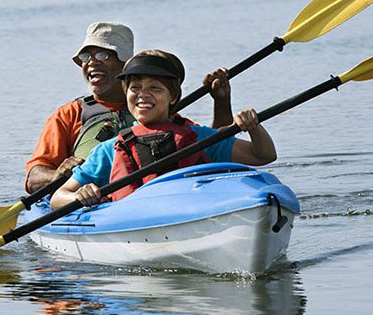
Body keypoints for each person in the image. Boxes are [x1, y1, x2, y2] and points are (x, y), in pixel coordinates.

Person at [50, 50, 276, 209]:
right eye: (135, 88)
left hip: (195, 213)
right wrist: (80, 195)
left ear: (173, 97)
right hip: (133, 220)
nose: (143, 95)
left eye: (155, 89)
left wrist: (253, 127)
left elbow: (263, 155)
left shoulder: (198, 137)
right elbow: (58, 198)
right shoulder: (108, 150)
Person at [25, 22, 233, 193]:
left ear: (127, 65)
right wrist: (59, 175)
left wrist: (221, 102)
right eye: (86, 57)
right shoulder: (69, 114)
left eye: (104, 55)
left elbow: (214, 149)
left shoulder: (151, 109)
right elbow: (33, 180)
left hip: (145, 199)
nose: (91, 63)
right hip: (93, 206)